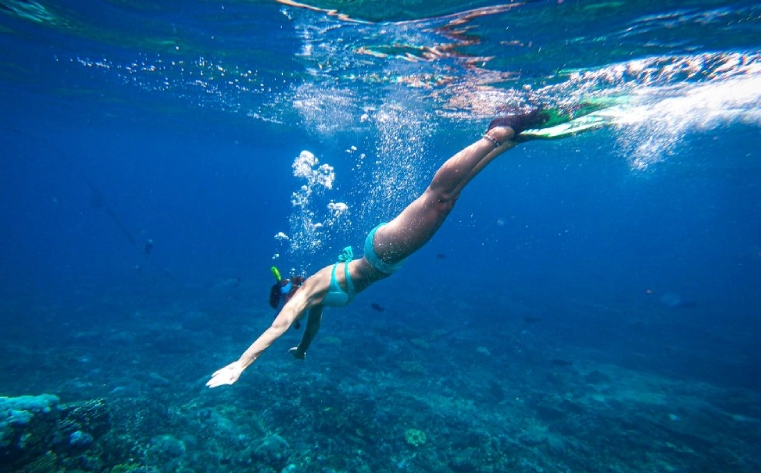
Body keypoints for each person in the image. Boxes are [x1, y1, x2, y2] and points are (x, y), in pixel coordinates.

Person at [207, 110, 551, 387]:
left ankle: (495, 134)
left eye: (283, 295)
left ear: (289, 290)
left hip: (384, 252)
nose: (286, 303)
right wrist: (303, 349)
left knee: (439, 197)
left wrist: (241, 365)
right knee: (447, 200)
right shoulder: (314, 298)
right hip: (386, 255)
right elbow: (311, 327)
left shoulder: (305, 293)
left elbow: (275, 329)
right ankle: (506, 144)